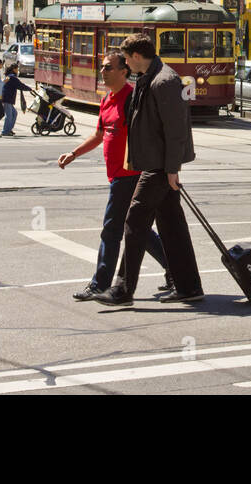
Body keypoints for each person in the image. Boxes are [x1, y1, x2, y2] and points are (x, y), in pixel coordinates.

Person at [95, 33, 203, 307]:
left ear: (136, 56)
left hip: (159, 166)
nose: (126, 65)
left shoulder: (164, 80)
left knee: (134, 222)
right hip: (155, 163)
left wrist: (172, 169)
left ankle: (122, 289)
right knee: (172, 226)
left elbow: (176, 129)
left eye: (127, 59)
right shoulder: (150, 77)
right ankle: (188, 286)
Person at [58, 50, 171, 302]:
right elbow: (99, 135)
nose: (102, 72)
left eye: (108, 67)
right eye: (102, 67)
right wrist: (74, 153)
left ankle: (100, 284)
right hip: (117, 175)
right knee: (138, 229)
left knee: (111, 230)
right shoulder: (107, 99)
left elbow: (150, 134)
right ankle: (174, 268)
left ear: (124, 71)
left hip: (131, 175)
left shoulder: (133, 99)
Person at [0, 63, 33, 136]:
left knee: (14, 113)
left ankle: (8, 129)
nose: (18, 70)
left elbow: (19, 85)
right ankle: (5, 131)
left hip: (8, 98)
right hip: (7, 98)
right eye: (17, 69)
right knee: (9, 115)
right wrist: (29, 89)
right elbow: (20, 85)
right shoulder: (12, 77)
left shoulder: (10, 76)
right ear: (14, 69)